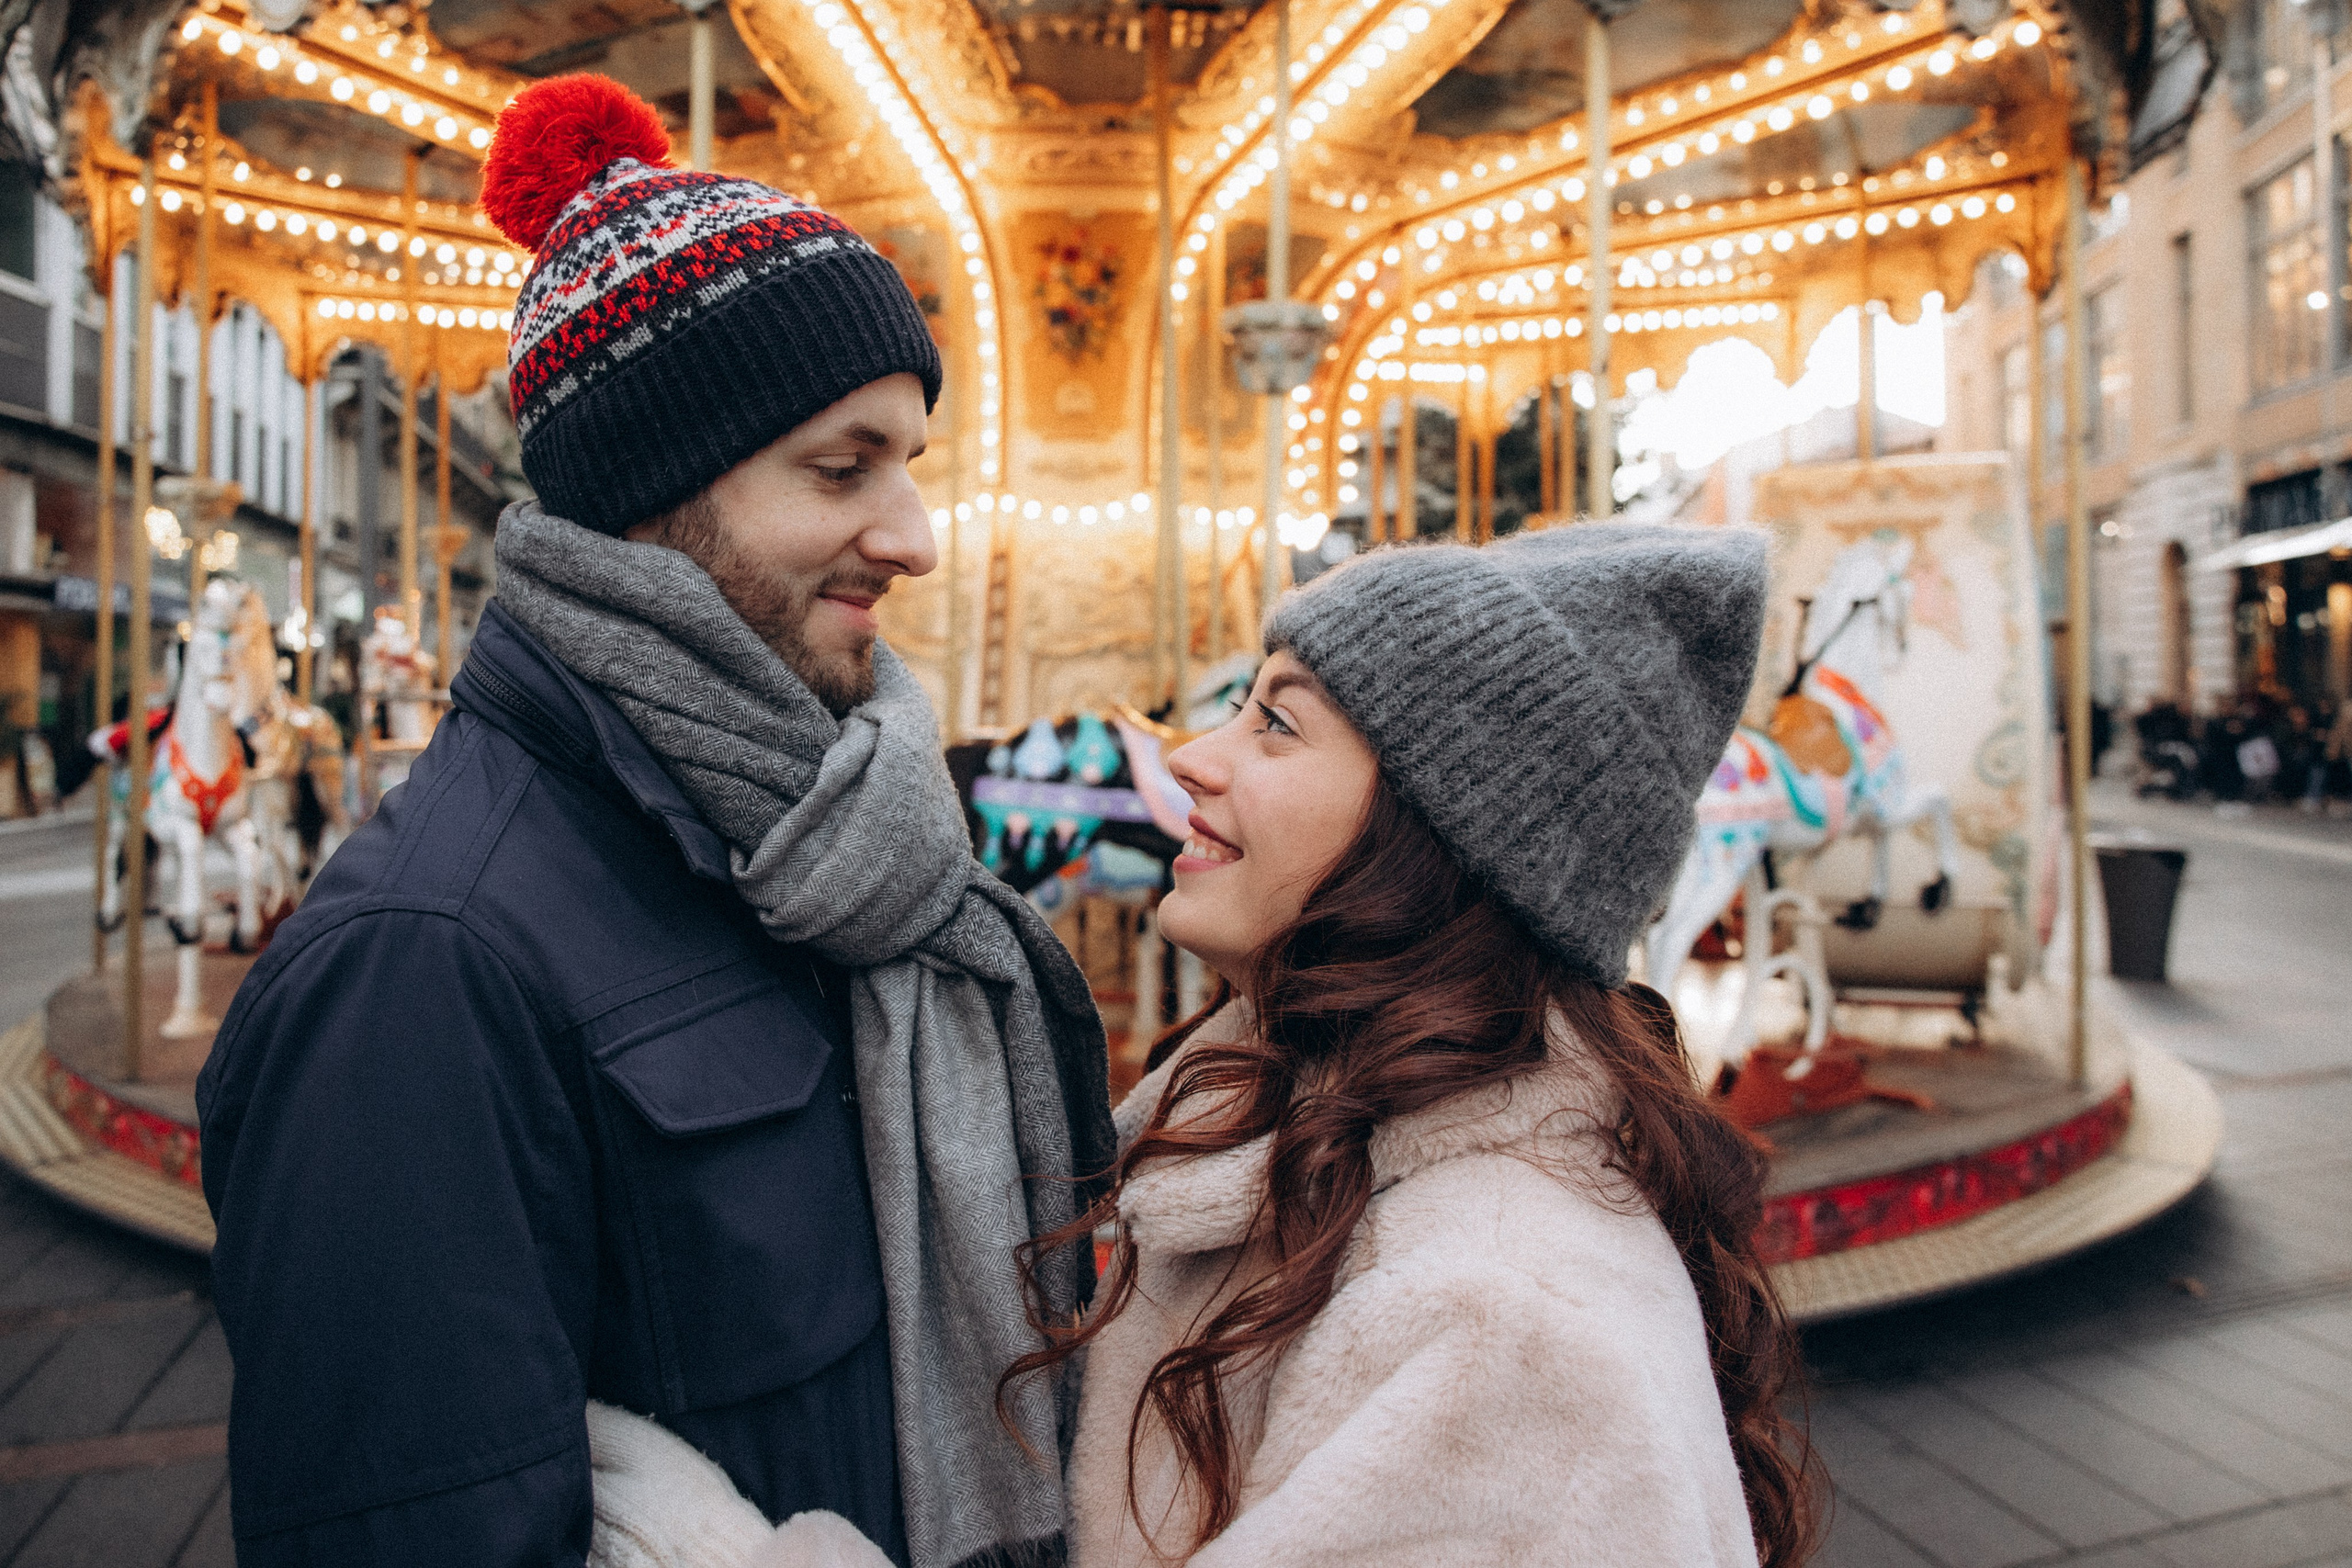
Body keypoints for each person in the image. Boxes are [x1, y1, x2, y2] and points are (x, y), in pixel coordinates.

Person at [198, 75, 1113, 1568]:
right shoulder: (424, 968)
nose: (916, 537)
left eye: (911, 463)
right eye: (842, 467)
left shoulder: (830, 850)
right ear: (651, 488)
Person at [1014, 524, 1820, 1565]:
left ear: (1441, 830)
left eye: (1275, 724)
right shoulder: (1296, 1157)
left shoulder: (1503, 1327)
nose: (1190, 757)